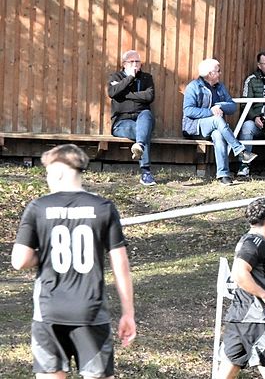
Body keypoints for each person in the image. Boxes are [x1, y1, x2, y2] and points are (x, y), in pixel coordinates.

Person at [12, 144, 136, 378]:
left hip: (48, 311)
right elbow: (120, 265)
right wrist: (128, 313)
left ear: (58, 171)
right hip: (91, 312)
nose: (47, 179)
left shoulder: (38, 207)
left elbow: (19, 260)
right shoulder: (103, 208)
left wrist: (45, 253)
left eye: (48, 173)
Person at [218, 197, 265, 379]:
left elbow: (249, 275)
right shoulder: (255, 243)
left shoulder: (250, 240)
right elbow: (239, 273)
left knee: (226, 374)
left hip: (239, 317)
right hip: (256, 319)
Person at [182, 58, 258, 186]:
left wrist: (219, 106)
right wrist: (211, 111)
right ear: (210, 74)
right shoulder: (193, 87)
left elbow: (232, 106)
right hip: (195, 127)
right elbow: (188, 111)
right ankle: (240, 150)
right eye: (218, 71)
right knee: (217, 120)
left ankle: (223, 175)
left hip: (215, 127)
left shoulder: (220, 87)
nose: (220, 73)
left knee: (218, 135)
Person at [107, 49, 157, 186]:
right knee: (143, 132)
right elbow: (112, 92)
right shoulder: (116, 77)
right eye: (131, 61)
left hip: (143, 117)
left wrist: (125, 94)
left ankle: (139, 145)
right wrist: (129, 78)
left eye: (137, 61)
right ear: (124, 64)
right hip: (121, 122)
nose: (135, 64)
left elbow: (149, 97)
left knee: (146, 114)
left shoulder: (146, 78)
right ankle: (146, 172)